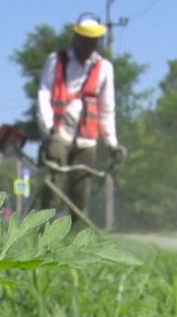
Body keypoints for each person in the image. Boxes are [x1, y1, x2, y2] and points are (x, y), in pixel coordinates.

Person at [35, 13, 126, 225]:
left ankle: (73, 232)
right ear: (76, 38)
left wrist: (111, 143)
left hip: (87, 136)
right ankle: (44, 230)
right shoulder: (57, 60)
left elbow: (107, 108)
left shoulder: (104, 68)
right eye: (85, 40)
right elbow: (44, 94)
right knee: (53, 185)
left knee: (80, 192)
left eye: (93, 41)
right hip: (59, 131)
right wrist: (48, 127)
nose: (88, 45)